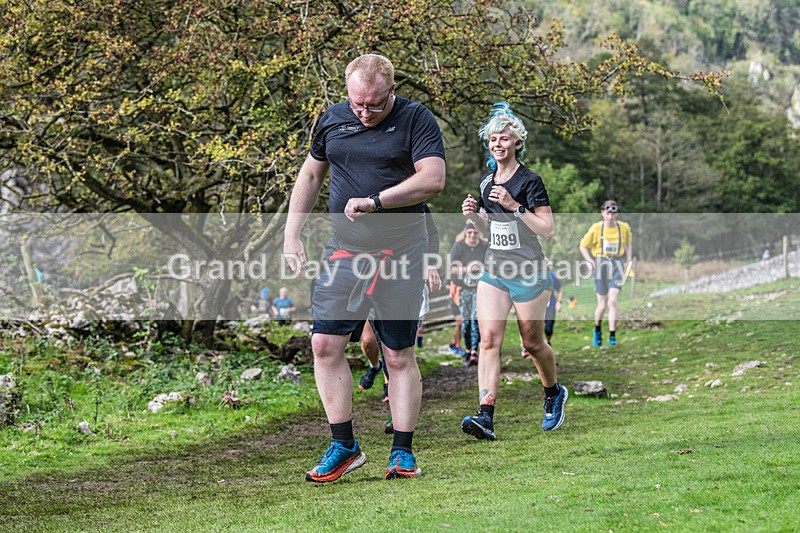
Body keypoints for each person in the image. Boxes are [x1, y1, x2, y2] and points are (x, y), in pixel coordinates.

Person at [283, 53, 445, 481]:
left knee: (397, 354)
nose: (364, 112)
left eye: (373, 104)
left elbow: (433, 179)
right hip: (344, 252)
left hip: (401, 253)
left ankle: (403, 451)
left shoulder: (416, 119)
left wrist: (378, 201)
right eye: (357, 103)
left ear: (392, 91)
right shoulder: (332, 119)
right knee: (324, 346)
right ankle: (344, 445)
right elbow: (312, 176)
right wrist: (290, 233)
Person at [459, 102, 568, 441]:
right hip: (495, 269)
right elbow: (492, 229)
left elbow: (547, 229)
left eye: (504, 139)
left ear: (517, 142)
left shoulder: (530, 181)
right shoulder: (486, 181)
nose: (498, 144)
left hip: (530, 271)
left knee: (532, 343)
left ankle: (553, 393)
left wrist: (514, 205)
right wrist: (474, 216)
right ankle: (485, 415)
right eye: (493, 140)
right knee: (489, 339)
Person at [579, 200, 633, 347]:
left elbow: (628, 243)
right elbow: (583, 246)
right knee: (602, 305)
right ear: (602, 213)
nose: (610, 216)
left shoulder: (624, 228)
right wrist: (589, 261)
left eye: (613, 213)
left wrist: (629, 260)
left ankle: (612, 335)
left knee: (613, 301)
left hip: (617, 264)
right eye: (608, 213)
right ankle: (597, 330)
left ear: (617, 213)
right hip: (600, 264)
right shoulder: (596, 228)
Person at [449, 221, 487, 366]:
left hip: (480, 290)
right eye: (470, 232)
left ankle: (474, 353)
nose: (472, 235)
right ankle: (468, 349)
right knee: (466, 323)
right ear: (465, 232)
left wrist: (482, 269)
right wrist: (468, 268)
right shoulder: (459, 247)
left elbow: (492, 264)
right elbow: (452, 270)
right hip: (463, 289)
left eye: (475, 233)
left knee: (475, 319)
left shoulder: (484, 247)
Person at [522, 269, 563, 356]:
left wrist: (559, 302)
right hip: (537, 306)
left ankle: (547, 342)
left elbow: (559, 290)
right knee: (530, 326)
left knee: (548, 329)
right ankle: (526, 347)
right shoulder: (532, 276)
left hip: (550, 306)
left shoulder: (553, 276)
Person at [448, 280, 466, 356]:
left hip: (461, 300)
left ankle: (453, 343)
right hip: (454, 300)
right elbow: (447, 285)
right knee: (460, 323)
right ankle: (458, 346)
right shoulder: (452, 275)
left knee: (459, 324)